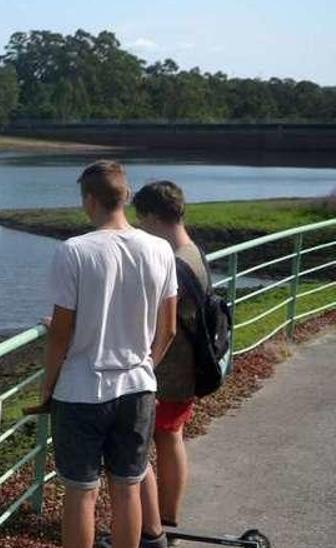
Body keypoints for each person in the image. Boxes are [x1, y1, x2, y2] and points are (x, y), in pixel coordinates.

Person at [25, 160, 179, 548]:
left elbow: (60, 333)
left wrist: (47, 389)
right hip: (138, 386)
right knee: (127, 487)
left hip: (81, 390)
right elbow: (170, 327)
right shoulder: (160, 249)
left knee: (82, 493)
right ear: (126, 197)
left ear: (89, 200)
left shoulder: (75, 251)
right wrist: (146, 365)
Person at [133, 181, 209, 541]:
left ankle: (155, 523)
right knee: (171, 438)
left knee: (143, 445)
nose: (137, 227)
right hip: (187, 368)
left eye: (140, 219)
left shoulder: (175, 265)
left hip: (168, 371)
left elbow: (161, 324)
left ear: (151, 215)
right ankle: (167, 518)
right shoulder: (194, 252)